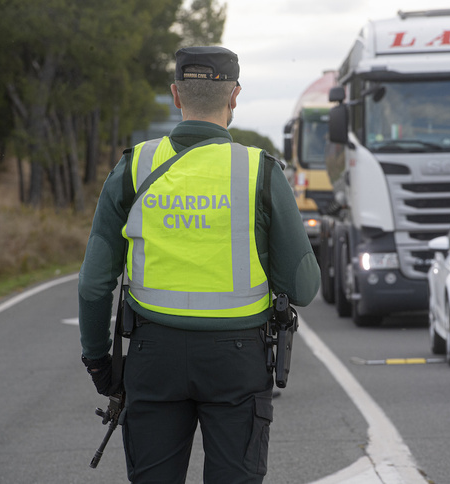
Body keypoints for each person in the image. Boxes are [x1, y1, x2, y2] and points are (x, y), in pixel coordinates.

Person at [78, 46, 320, 484]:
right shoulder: (260, 171)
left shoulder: (134, 166)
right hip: (237, 359)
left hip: (153, 356)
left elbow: (94, 283)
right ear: (235, 97)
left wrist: (99, 363)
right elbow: (302, 286)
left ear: (175, 95)